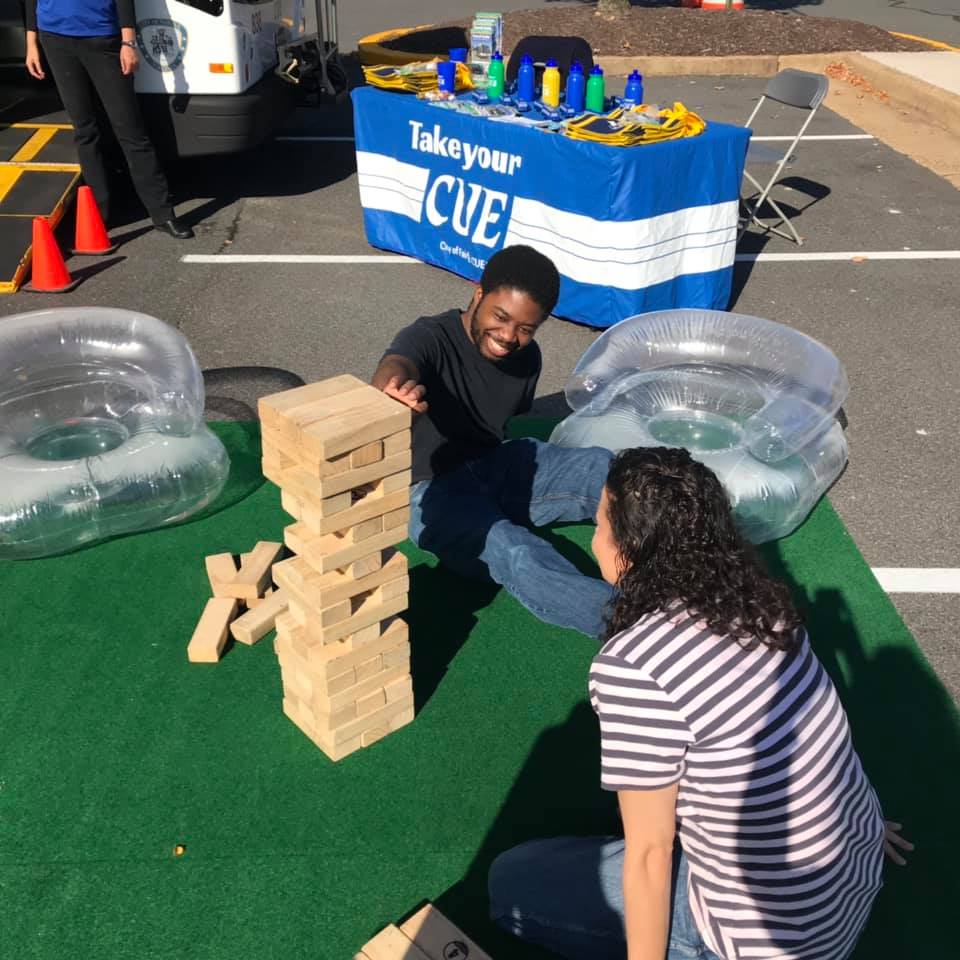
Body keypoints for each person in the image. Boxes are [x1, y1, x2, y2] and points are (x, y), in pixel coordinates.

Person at [488, 447, 913, 960]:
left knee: (510, 882)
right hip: (847, 881)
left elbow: (649, 855)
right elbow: (822, 739)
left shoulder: (633, 665)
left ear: (629, 548)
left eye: (600, 524)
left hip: (759, 941)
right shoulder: (763, 603)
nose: (595, 537)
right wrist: (860, 825)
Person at [372, 245, 614, 639]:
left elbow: (500, 425)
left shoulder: (528, 358)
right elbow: (397, 363)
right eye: (501, 317)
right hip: (430, 493)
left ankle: (705, 564)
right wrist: (393, 389)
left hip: (495, 464)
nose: (508, 336)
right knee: (516, 551)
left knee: (605, 467)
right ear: (478, 294)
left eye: (525, 328)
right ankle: (633, 627)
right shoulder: (430, 336)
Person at [24, 0, 193, 239]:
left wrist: (128, 42)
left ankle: (163, 214)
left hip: (103, 38)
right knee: (85, 131)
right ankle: (98, 218)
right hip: (54, 38)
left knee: (131, 132)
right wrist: (31, 43)